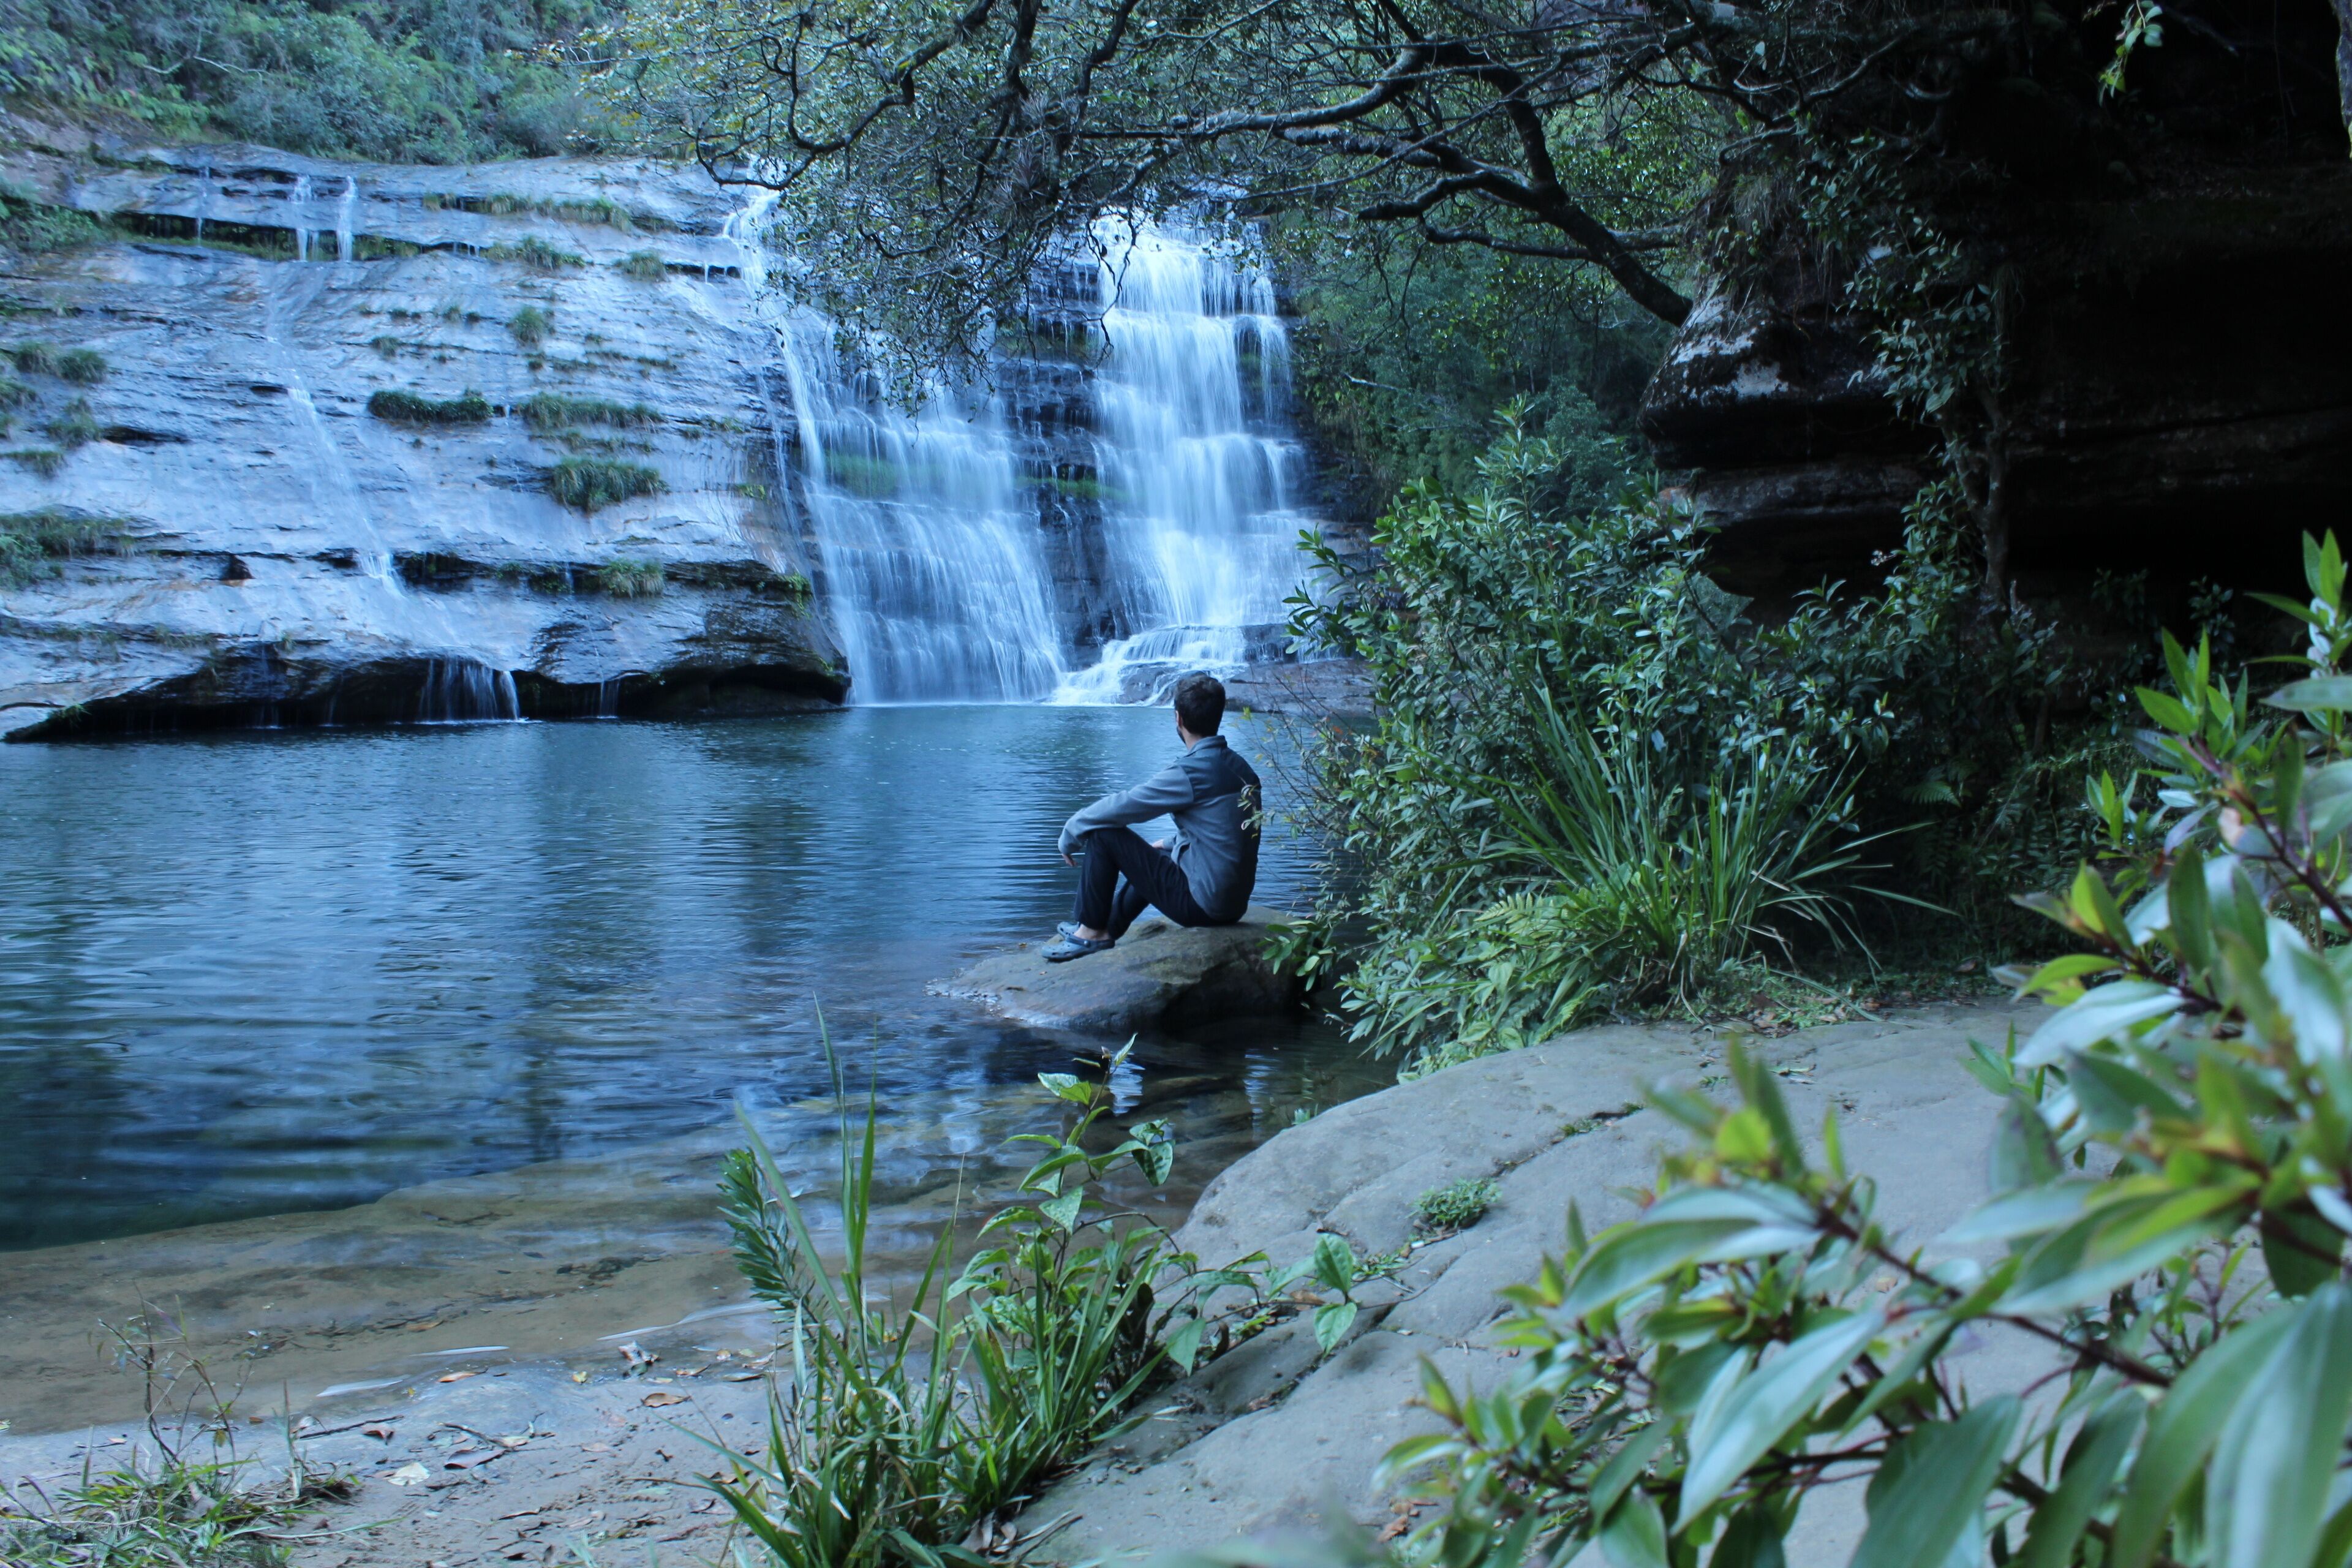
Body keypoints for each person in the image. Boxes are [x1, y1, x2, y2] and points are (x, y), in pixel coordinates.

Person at [1043, 672, 1262, 962]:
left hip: (1202, 907)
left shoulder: (1191, 772)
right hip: (1231, 905)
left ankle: (1091, 932)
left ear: (1178, 720)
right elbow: (1228, 831)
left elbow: (1124, 805)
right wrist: (1169, 844)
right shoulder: (1241, 768)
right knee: (1154, 855)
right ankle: (1105, 928)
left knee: (1103, 833)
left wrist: (1071, 831)